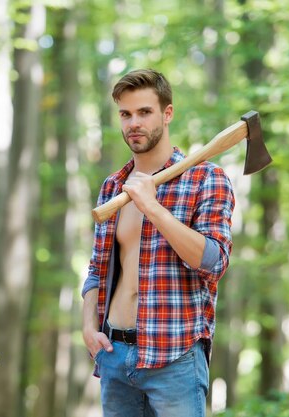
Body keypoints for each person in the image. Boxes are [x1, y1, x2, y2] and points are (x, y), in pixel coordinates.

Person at [81, 68, 235, 417]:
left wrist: (152, 206)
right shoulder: (113, 187)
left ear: (167, 114)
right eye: (126, 114)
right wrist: (88, 325)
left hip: (174, 358)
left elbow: (214, 261)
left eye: (144, 112)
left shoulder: (206, 179)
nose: (134, 122)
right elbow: (97, 269)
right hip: (114, 354)